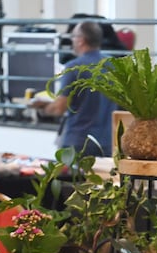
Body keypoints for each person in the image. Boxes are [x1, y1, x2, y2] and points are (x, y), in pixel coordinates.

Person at [32, 21, 116, 157]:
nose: (72, 40)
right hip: (106, 143)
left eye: (73, 36)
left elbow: (59, 108)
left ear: (81, 40)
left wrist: (42, 109)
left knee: (73, 178)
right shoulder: (113, 65)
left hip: (78, 143)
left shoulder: (74, 67)